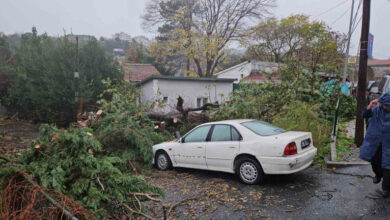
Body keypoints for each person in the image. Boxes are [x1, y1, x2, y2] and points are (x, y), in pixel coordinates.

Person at [359, 92, 390, 197]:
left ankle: (386, 189)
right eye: (384, 104)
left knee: (388, 167)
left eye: (388, 105)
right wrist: (370, 105)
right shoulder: (377, 109)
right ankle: (378, 174)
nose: (386, 107)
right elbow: (364, 115)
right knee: (374, 161)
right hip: (375, 141)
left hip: (388, 143)